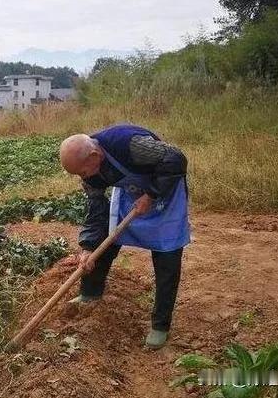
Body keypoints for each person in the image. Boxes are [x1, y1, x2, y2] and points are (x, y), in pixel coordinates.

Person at [59, 124, 190, 349]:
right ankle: (90, 293)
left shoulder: (129, 145)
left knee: (166, 258)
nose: (83, 177)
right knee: (103, 245)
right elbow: (96, 208)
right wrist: (88, 246)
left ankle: (160, 326)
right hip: (132, 195)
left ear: (94, 155)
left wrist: (151, 195)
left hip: (164, 193)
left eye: (82, 172)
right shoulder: (91, 171)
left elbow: (175, 158)